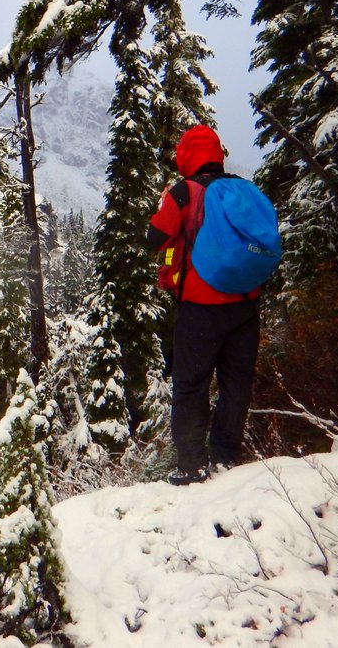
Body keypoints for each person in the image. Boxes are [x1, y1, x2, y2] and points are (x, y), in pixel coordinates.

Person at [148, 125, 261, 485]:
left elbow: (155, 236)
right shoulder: (244, 189)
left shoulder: (184, 192)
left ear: (187, 156)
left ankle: (192, 465)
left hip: (200, 306)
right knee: (236, 384)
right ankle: (226, 459)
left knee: (191, 385)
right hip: (245, 305)